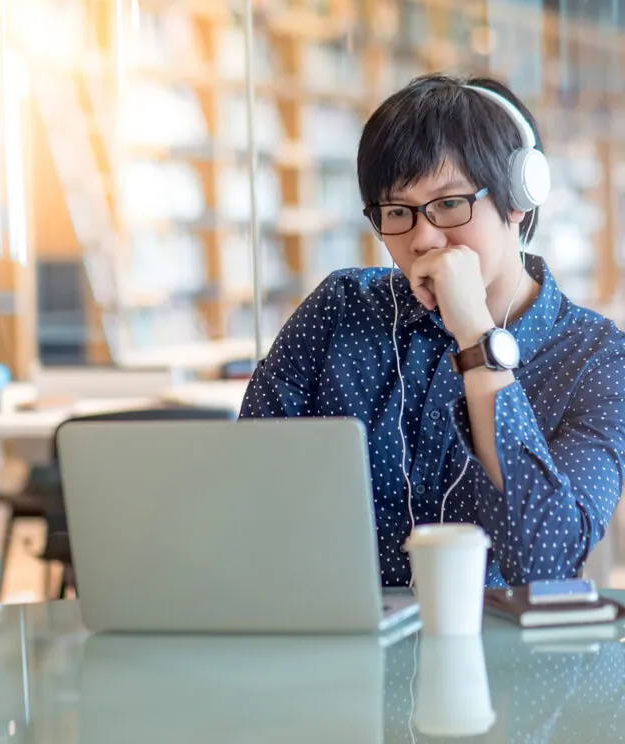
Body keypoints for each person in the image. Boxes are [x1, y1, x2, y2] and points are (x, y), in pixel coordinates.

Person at [239, 73, 625, 588]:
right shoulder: (339, 310)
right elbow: (239, 496)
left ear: (518, 198)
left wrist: (475, 336)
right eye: (398, 212)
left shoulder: (596, 357)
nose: (424, 237)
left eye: (449, 204)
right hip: (334, 647)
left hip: (501, 660)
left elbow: (542, 561)